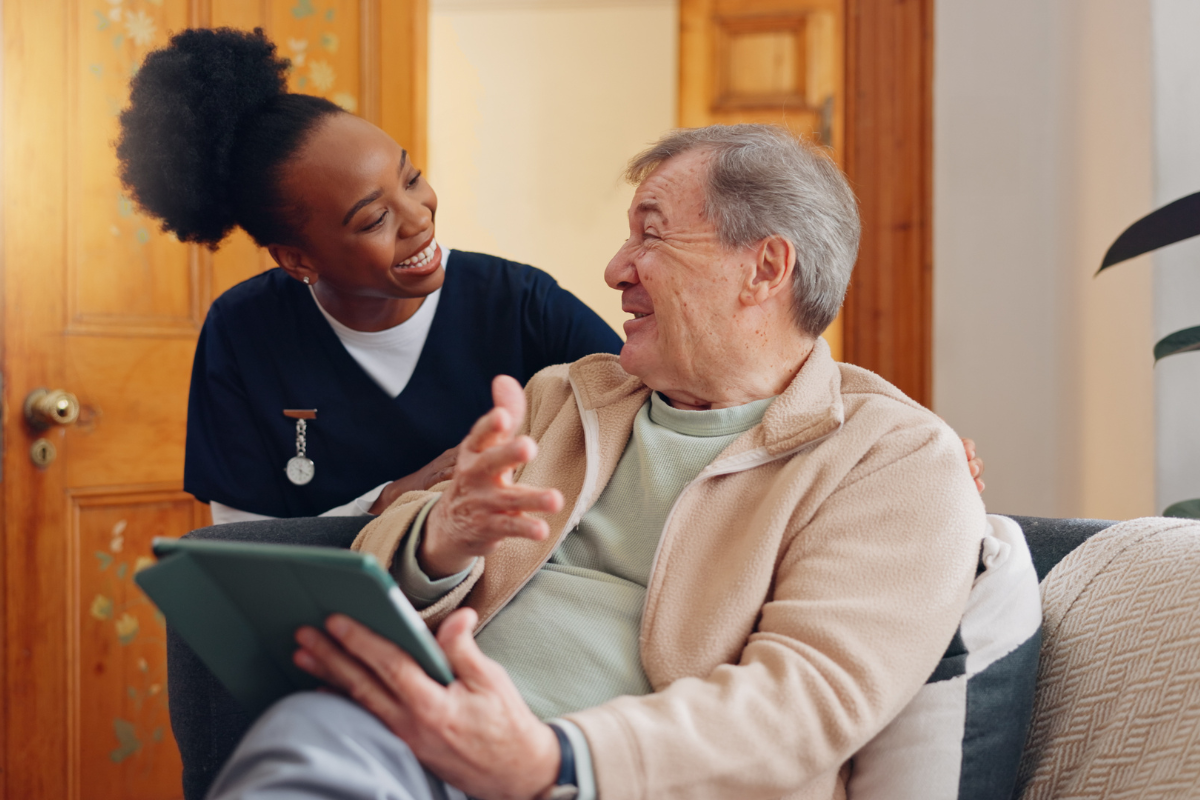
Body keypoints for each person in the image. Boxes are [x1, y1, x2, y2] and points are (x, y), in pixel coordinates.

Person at [205, 124, 989, 800]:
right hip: (420, 748)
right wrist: (443, 533)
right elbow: (375, 563)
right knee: (306, 736)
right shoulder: (564, 397)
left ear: (766, 269)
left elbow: (804, 702)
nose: (616, 268)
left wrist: (554, 759)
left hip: (608, 778)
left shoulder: (891, 458)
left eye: (651, 233)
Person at [115, 27, 623, 524]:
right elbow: (246, 548)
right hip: (325, 606)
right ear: (297, 261)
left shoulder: (519, 304)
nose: (420, 217)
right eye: (375, 219)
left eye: (411, 177)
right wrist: (392, 500)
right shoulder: (243, 330)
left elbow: (646, 416)